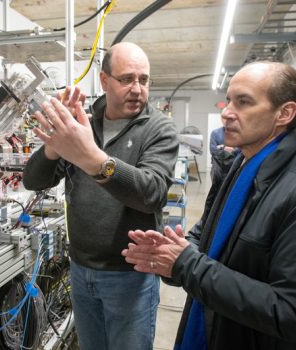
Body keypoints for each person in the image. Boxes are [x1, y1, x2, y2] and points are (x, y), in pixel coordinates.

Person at [122, 61, 296, 350]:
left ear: (285, 113)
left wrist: (188, 265)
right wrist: (173, 251)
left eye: (243, 102)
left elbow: (292, 314)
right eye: (229, 100)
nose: (226, 112)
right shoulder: (240, 169)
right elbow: (209, 236)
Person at [23, 42, 179, 350]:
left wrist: (94, 159)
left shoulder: (159, 129)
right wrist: (55, 144)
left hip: (130, 276)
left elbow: (152, 193)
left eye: (143, 80)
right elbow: (33, 180)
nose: (137, 88)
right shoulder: (84, 122)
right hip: (80, 269)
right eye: (127, 79)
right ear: (105, 81)